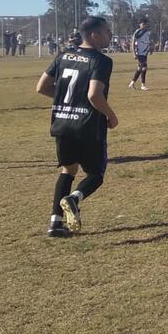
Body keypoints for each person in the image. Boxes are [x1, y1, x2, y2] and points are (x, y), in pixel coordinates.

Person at [36, 16, 118, 238]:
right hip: (87, 125)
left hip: (62, 123)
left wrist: (66, 100)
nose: (109, 36)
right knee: (96, 174)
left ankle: (55, 223)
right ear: (94, 35)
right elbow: (93, 95)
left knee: (68, 170)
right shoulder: (102, 61)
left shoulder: (63, 55)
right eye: (107, 32)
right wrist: (110, 115)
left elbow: (41, 87)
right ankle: (74, 198)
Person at [129, 17, 152, 90]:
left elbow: (147, 42)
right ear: (140, 24)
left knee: (140, 68)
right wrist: (134, 53)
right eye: (143, 24)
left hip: (144, 52)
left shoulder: (147, 32)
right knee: (144, 66)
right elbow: (132, 42)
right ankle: (143, 85)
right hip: (139, 52)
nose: (144, 25)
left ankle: (132, 83)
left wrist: (150, 49)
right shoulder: (138, 32)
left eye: (145, 24)